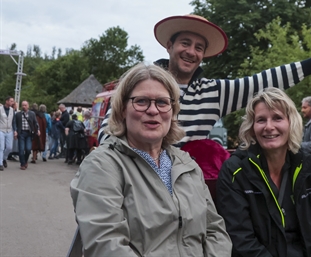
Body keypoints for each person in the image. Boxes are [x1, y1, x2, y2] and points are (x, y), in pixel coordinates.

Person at [98, 14, 311, 146]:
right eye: (185, 43)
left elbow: (263, 81)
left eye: (199, 47)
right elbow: (108, 130)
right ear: (169, 46)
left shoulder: (213, 92)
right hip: (136, 180)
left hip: (187, 187)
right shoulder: (141, 83)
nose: (191, 52)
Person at [70, 63, 232, 256]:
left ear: (172, 111)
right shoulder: (102, 165)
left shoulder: (187, 165)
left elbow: (215, 229)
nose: (153, 110)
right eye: (141, 101)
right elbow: (106, 244)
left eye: (162, 102)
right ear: (122, 109)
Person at [216, 88, 311, 257]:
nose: (269, 127)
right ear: (252, 128)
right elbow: (241, 240)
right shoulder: (234, 172)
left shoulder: (308, 167)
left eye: (277, 118)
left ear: (291, 123)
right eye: (261, 120)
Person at [15, 101, 40, 170]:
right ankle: (22, 164)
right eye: (23, 105)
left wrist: (38, 129)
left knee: (28, 149)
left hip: (29, 133)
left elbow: (35, 123)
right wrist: (15, 131)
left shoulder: (32, 114)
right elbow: (15, 124)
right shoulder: (18, 114)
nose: (24, 107)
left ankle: (25, 161)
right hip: (21, 133)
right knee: (21, 149)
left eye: (25, 105)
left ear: (28, 106)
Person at [0, 96, 17, 170]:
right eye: (11, 101)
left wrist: (15, 130)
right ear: (6, 101)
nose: (12, 102)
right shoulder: (0, 109)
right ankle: (0, 164)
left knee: (9, 147)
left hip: (9, 130)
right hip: (1, 130)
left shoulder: (12, 110)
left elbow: (14, 121)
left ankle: (4, 158)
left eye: (12, 101)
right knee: (1, 147)